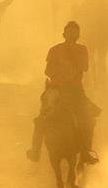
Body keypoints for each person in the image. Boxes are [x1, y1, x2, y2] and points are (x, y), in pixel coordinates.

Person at [26, 21, 100, 165]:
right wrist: (60, 76)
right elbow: (47, 70)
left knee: (88, 119)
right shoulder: (54, 50)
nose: (72, 34)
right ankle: (35, 149)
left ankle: (86, 152)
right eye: (69, 31)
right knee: (41, 119)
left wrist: (71, 73)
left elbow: (85, 67)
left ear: (78, 35)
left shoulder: (82, 50)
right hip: (56, 91)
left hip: (76, 91)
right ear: (64, 34)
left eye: (74, 32)